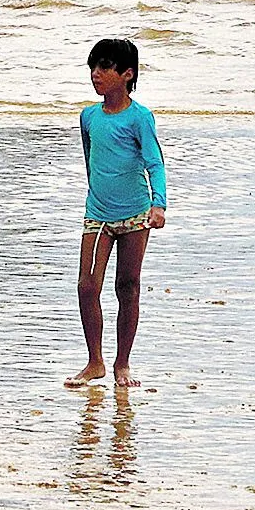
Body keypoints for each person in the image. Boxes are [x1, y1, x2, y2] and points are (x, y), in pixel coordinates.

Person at [64, 37, 166, 390]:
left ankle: (122, 363)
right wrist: (96, 194)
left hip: (136, 214)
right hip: (98, 215)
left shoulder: (140, 118)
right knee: (87, 286)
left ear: (127, 74)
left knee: (128, 286)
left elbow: (155, 162)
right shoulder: (89, 116)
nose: (96, 75)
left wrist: (159, 204)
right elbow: (90, 159)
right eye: (93, 67)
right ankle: (95, 362)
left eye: (105, 68)